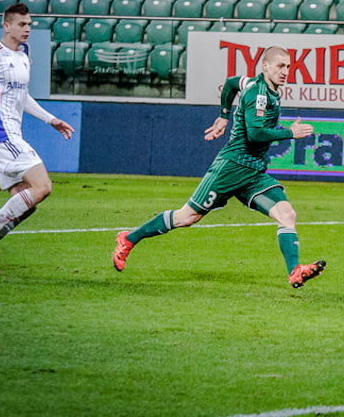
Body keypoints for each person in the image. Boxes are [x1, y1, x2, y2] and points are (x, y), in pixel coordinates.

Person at [112, 46, 326, 289]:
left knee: (286, 214)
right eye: (280, 66)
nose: (286, 71)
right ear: (265, 66)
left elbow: (232, 83)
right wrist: (290, 133)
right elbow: (255, 134)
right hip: (232, 166)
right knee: (187, 217)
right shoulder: (259, 94)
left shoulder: (259, 86)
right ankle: (128, 238)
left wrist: (224, 115)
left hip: (253, 170)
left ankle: (295, 271)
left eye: (288, 66)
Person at [0, 3, 75, 273]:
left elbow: (22, 97)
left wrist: (51, 119)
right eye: (22, 24)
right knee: (42, 186)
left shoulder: (22, 56)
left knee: (26, 201)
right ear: (6, 25)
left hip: (10, 135)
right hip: (1, 135)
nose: (27, 29)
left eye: (30, 25)